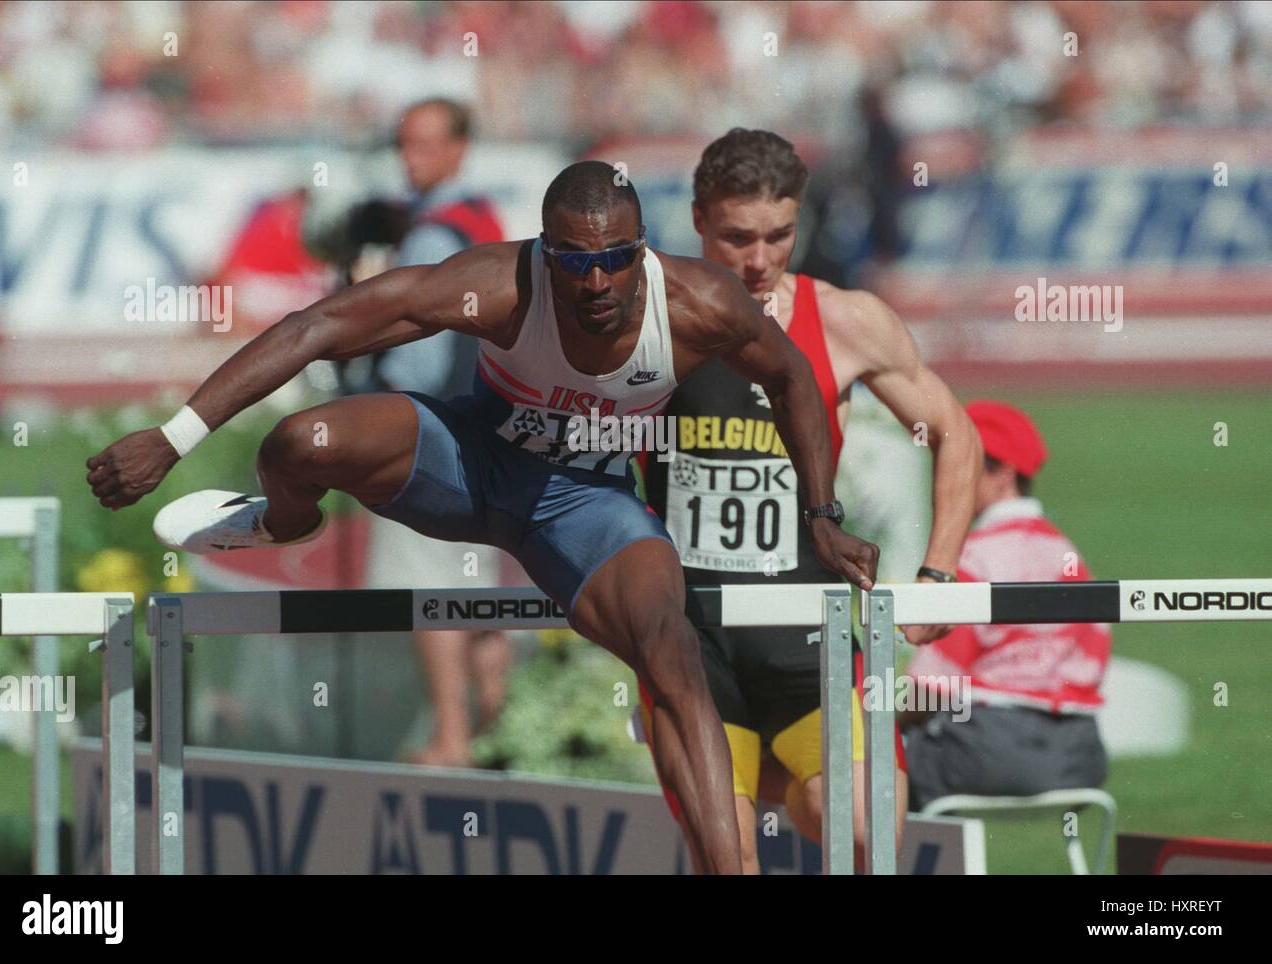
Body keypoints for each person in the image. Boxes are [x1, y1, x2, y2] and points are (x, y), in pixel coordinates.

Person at [85, 160, 882, 875]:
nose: (598, 283)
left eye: (615, 260)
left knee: (669, 644)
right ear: (545, 253)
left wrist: (820, 512)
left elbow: (795, 379)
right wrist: (173, 435)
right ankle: (286, 520)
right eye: (576, 263)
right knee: (303, 440)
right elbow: (317, 326)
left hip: (584, 505)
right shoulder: (499, 284)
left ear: (643, 248)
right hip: (466, 464)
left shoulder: (701, 304)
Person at [637, 128, 982, 873]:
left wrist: (939, 577)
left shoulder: (845, 321)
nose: (759, 260)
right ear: (698, 219)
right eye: (736, 238)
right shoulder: (644, 319)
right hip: (691, 645)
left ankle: (794, 797)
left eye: (779, 235)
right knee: (728, 859)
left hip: (810, 638)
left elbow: (957, 433)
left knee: (864, 834)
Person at [370, 98, 512, 768]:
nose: (410, 158)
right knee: (474, 582)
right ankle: (495, 725)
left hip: (429, 430)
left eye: (424, 145)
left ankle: (452, 737)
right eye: (406, 144)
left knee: (425, 588)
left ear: (458, 147)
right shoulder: (484, 220)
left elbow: (412, 361)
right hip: (487, 423)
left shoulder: (433, 234)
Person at [903, 400, 1111, 809]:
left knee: (864, 770)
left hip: (989, 752)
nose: (943, 480)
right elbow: (1096, 654)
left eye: (957, 466)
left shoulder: (971, 557)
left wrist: (889, 725)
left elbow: (931, 686)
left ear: (1003, 473)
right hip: (1082, 755)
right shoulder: (1067, 553)